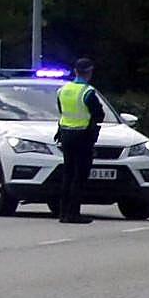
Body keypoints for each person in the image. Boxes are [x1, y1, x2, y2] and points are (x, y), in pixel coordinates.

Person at [55, 57, 104, 224]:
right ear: (89, 73)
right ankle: (74, 213)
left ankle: (63, 212)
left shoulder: (63, 89)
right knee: (80, 176)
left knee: (68, 174)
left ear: (75, 71)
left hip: (65, 135)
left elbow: (62, 111)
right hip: (82, 136)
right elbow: (99, 114)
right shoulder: (87, 92)